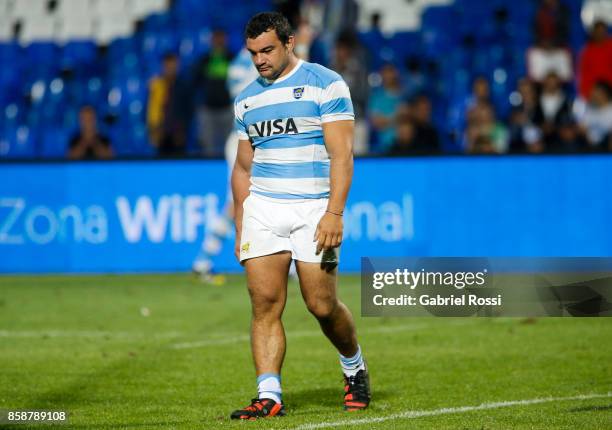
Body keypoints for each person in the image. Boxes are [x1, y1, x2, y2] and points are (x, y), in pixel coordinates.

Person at [229, 12, 370, 420]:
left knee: (321, 306)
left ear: (290, 43)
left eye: (268, 50)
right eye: (254, 52)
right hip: (264, 209)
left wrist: (334, 213)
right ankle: (269, 395)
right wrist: (242, 222)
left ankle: (353, 365)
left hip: (313, 208)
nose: (260, 60)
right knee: (264, 305)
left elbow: (342, 155)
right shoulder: (247, 99)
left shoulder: (326, 84)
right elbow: (242, 167)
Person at [194, 30, 235, 156]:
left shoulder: (232, 58)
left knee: (231, 144)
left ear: (225, 40)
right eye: (216, 38)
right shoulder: (204, 60)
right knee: (208, 146)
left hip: (228, 109)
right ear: (212, 40)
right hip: (208, 110)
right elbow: (195, 81)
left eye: (221, 38)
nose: (218, 41)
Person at [146, 53, 188, 156]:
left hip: (178, 134)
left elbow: (188, 109)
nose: (170, 68)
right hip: (161, 133)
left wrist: (182, 129)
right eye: (167, 66)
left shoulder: (183, 86)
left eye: (173, 65)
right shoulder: (157, 85)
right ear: (163, 66)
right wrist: (153, 128)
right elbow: (152, 108)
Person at [577, 20, 612, 100]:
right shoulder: (586, 51)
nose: (600, 34)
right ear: (593, 33)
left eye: (602, 31)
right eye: (598, 31)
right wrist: (587, 94)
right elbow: (583, 74)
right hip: (593, 94)